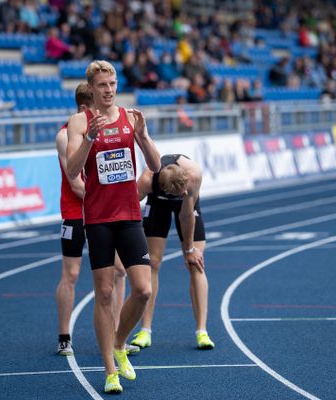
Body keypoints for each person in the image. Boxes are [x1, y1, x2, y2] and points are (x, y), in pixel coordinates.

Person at [65, 60, 161, 394]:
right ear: (91, 88)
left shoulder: (130, 117)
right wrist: (89, 139)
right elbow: (73, 171)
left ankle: (119, 343)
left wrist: (143, 136)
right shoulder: (80, 121)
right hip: (99, 217)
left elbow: (155, 165)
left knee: (143, 289)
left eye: (113, 83)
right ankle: (109, 371)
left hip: (129, 213)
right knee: (105, 293)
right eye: (103, 85)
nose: (109, 90)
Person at [55, 82, 138, 357]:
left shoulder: (107, 127)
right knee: (72, 273)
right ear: (83, 108)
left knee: (120, 271)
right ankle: (65, 335)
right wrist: (102, 199)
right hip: (76, 211)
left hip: (103, 213)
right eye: (94, 107)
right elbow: (76, 181)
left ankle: (116, 333)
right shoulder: (66, 135)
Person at [131, 154, 215, 351]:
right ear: (167, 190)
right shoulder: (146, 181)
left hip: (187, 207)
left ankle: (202, 331)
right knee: (152, 263)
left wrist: (189, 250)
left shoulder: (192, 177)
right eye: (179, 192)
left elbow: (186, 216)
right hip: (157, 203)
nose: (184, 191)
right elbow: (129, 210)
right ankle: (145, 330)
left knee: (196, 263)